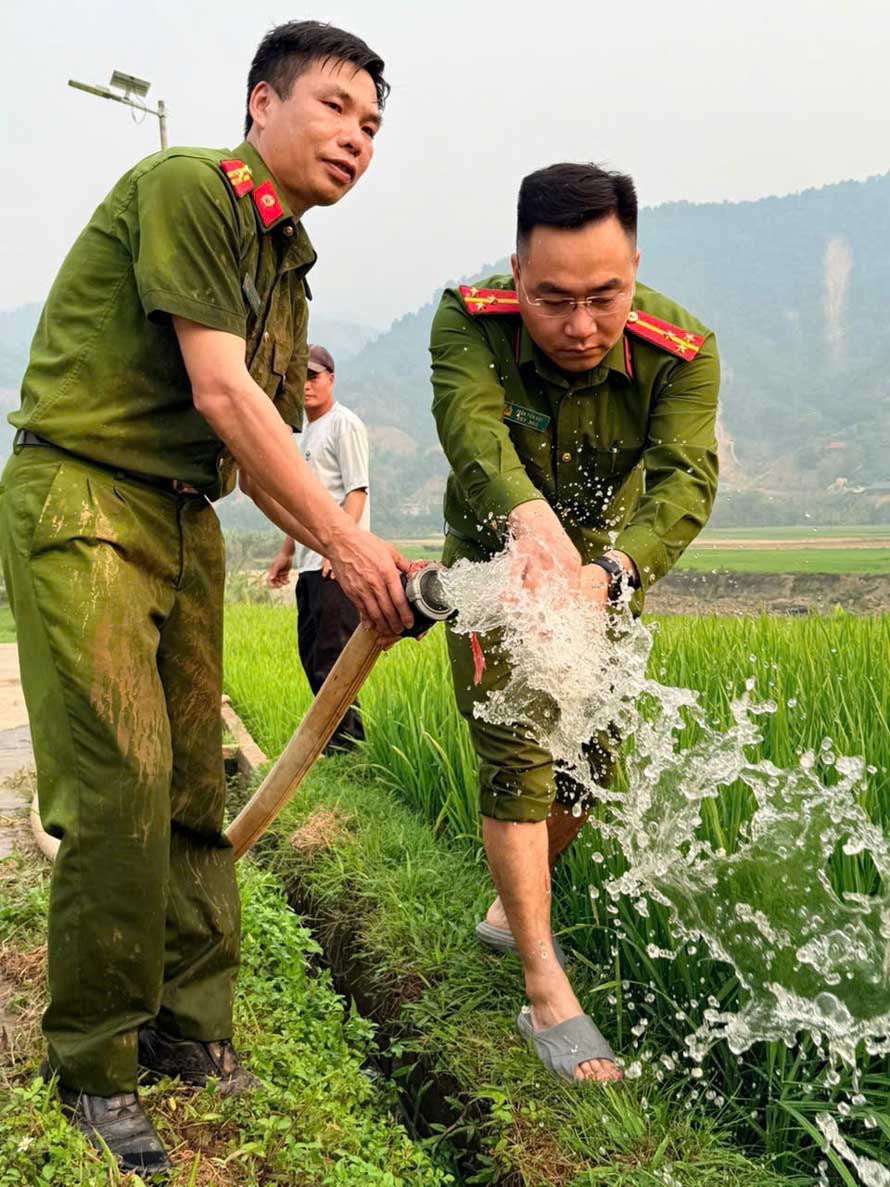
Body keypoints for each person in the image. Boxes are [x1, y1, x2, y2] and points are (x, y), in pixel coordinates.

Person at [0, 20, 414, 1174]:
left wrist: (348, 552)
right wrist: (346, 542)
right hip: (84, 493)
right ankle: (91, 1060)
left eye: (372, 125)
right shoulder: (191, 186)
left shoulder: (286, 256)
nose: (355, 137)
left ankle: (189, 1028)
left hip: (181, 515)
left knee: (193, 775)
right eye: (334, 107)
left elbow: (262, 434)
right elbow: (225, 391)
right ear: (260, 102)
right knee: (123, 775)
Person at [429, 162, 720, 1085]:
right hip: (495, 569)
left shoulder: (681, 350)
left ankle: (502, 911)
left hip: (605, 579)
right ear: (517, 274)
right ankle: (544, 986)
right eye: (553, 300)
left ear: (634, 264)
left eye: (606, 295)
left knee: (589, 771)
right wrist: (530, 524)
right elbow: (472, 432)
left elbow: (685, 479)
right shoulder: (467, 320)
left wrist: (611, 569)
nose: (582, 326)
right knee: (519, 749)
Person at [267, 344, 369, 748]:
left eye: (314, 376)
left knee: (333, 659)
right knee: (311, 655)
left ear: (330, 379)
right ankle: (333, 749)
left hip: (335, 563)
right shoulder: (304, 432)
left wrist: (338, 548)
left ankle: (348, 751)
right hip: (311, 561)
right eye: (301, 377)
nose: (306, 385)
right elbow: (300, 501)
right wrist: (287, 552)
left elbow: (357, 491)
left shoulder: (345, 425)